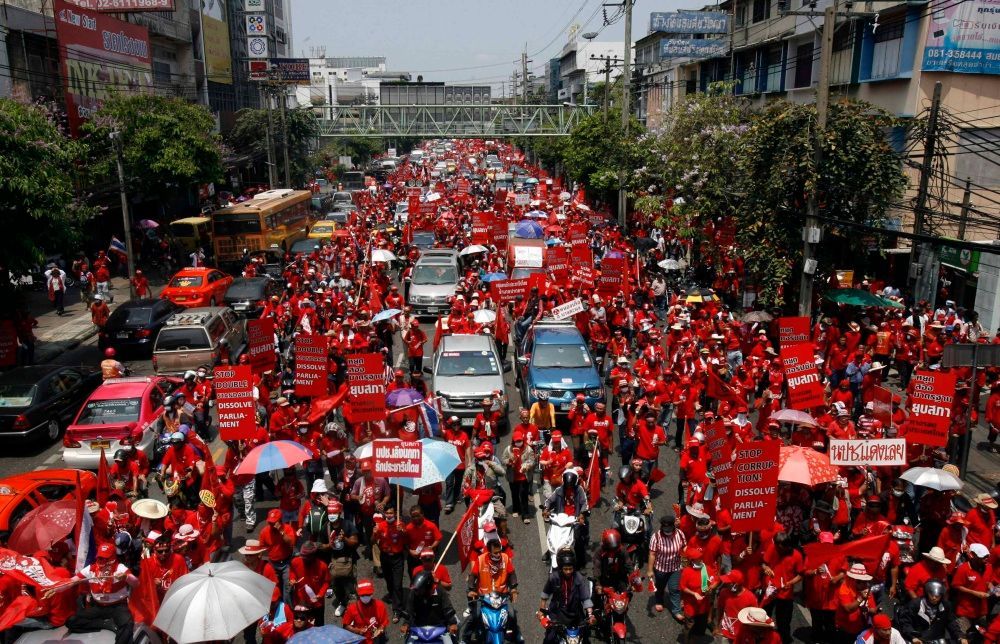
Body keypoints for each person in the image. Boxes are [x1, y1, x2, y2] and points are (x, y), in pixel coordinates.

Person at [49, 542, 137, 644]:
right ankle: (105, 624)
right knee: (71, 621)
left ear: (112, 558)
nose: (102, 561)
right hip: (98, 607)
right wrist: (53, 588)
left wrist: (126, 577)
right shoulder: (91, 569)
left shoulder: (120, 569)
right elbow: (72, 582)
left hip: (117, 606)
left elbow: (136, 583)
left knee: (127, 625)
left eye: (105, 558)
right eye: (100, 558)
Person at [538, 549, 595, 644]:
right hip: (557, 614)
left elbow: (586, 599)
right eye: (565, 569)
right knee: (549, 639)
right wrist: (541, 611)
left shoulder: (579, 578)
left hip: (575, 614)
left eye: (570, 569)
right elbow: (545, 594)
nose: (568, 572)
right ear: (560, 568)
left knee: (586, 638)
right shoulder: (554, 578)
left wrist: (590, 615)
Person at [894, 579, 967, 644]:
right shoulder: (915, 604)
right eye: (931, 594)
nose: (934, 598)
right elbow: (905, 623)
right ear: (927, 593)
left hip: (938, 640)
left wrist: (960, 636)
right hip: (918, 640)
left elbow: (952, 623)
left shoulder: (946, 606)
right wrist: (912, 637)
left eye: (937, 595)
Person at [647, 513, 686, 621]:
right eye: (665, 527)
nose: (667, 529)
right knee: (660, 587)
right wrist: (650, 570)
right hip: (661, 568)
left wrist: (687, 559)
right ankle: (659, 600)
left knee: (675, 589)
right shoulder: (656, 537)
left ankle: (676, 611)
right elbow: (652, 554)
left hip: (675, 567)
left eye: (669, 527)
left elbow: (684, 547)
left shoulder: (680, 534)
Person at [401, 570, 459, 639]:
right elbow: (409, 610)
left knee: (455, 634)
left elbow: (447, 608)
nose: (416, 592)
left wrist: (452, 623)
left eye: (420, 590)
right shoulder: (414, 593)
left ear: (427, 587)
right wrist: (406, 624)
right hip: (419, 627)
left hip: (439, 626)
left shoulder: (440, 591)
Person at [288, 541, 328, 626]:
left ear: (313, 555)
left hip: (317, 603)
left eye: (306, 557)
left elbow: (326, 582)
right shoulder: (295, 562)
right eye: (302, 556)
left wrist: (320, 595)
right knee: (301, 626)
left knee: (319, 626)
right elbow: (292, 572)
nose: (303, 558)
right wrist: (292, 579)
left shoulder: (322, 566)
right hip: (300, 602)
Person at [341, 578, 389, 644]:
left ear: (372, 594)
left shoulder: (380, 605)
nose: (365, 597)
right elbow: (345, 625)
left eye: (368, 595)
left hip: (376, 639)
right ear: (359, 595)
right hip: (361, 640)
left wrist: (380, 630)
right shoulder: (352, 608)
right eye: (363, 595)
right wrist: (357, 630)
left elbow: (384, 622)